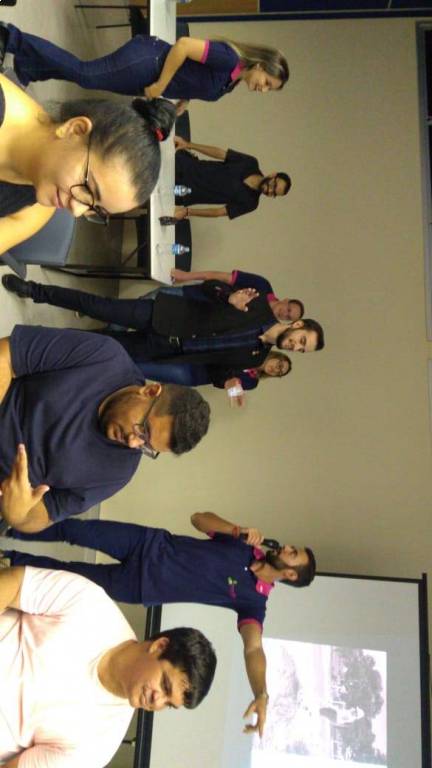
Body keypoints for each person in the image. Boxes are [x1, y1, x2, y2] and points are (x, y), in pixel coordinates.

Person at [3, 511, 316, 738]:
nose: (287, 548)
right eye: (292, 547)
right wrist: (236, 530)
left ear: (290, 575)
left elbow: (253, 648)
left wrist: (261, 693)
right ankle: (10, 520)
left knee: (65, 573)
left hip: (140, 586)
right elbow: (198, 519)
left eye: (293, 554)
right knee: (74, 529)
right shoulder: (246, 545)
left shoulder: (254, 602)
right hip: (148, 543)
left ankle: (6, 560)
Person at [0, 563, 216, 767]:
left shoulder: (100, 744)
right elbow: (15, 583)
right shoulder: (91, 604)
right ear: (159, 646)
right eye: (165, 686)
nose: (157, 701)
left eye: (168, 704)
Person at [0, 324, 210, 534]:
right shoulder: (103, 356)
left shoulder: (119, 472)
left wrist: (18, 515)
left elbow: (47, 513)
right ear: (150, 391)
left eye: (146, 445)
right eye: (144, 430)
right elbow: (8, 354)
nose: (133, 443)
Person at [2, 273, 322, 382]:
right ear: (297, 325)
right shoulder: (259, 303)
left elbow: (216, 369)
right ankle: (35, 291)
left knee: (93, 345)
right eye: (301, 339)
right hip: (164, 316)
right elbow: (209, 286)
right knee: (97, 306)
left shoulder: (256, 357)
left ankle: (37, 344)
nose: (296, 346)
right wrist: (229, 296)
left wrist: (228, 383)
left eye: (301, 349)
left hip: (163, 351)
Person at [0, 71, 175, 255]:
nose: (76, 211)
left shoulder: (36, 211)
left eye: (96, 209)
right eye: (87, 188)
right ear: (75, 130)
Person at [0, 25, 289, 110]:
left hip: (146, 79)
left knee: (85, 76)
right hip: (148, 61)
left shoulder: (231, 82)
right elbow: (183, 46)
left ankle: (27, 69)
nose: (262, 89)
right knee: (85, 74)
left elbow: (197, 78)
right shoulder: (228, 59)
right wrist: (162, 85)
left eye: (268, 90)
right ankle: (11, 37)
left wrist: (184, 102)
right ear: (261, 64)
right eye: (267, 82)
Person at [174, 135, 291, 221]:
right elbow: (220, 153)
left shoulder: (251, 203)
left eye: (273, 193)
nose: (270, 190)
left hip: (182, 193)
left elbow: (218, 212)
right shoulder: (251, 163)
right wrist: (188, 145)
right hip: (183, 165)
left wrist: (187, 212)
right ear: (273, 175)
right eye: (274, 185)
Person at [137, 350, 292, 408]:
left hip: (193, 374)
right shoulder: (255, 350)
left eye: (279, 372)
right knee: (143, 353)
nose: (275, 369)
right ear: (276, 356)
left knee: (143, 368)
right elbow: (226, 358)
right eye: (279, 365)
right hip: (194, 354)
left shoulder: (252, 382)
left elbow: (223, 383)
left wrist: (232, 385)